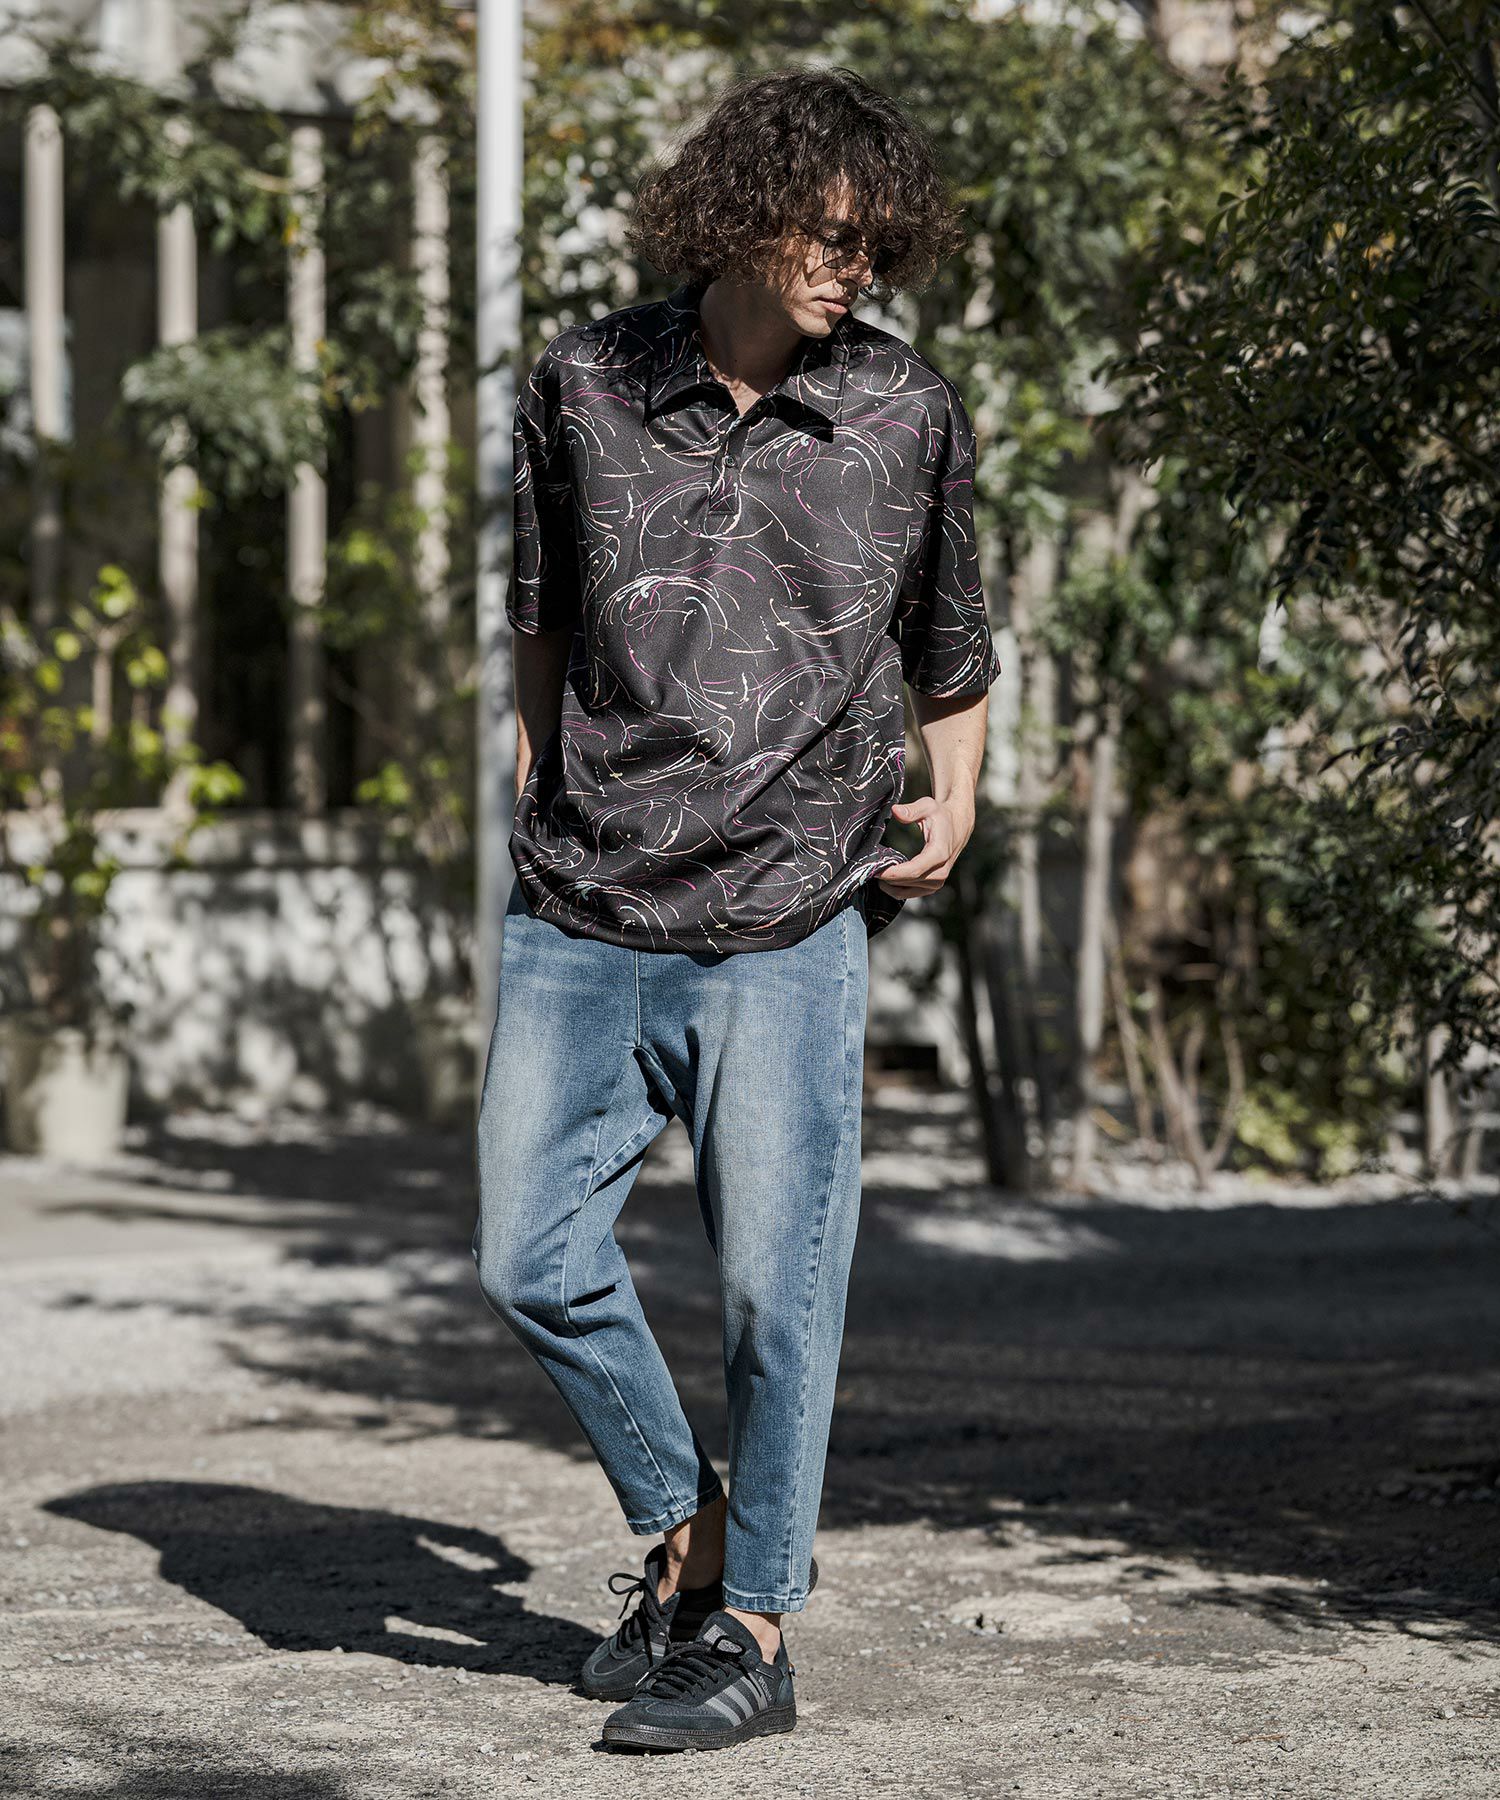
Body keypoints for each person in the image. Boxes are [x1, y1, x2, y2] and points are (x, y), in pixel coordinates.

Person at [473, 63, 1001, 1753]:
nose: (856, 264)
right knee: (526, 1254)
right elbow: (542, 613)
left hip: (789, 912)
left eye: (878, 240)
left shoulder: (902, 410)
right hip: (584, 900)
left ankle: (753, 1631)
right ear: (741, 210)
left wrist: (959, 791)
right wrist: (548, 782)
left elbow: (951, 637)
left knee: (781, 1292)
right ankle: (686, 1527)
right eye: (829, 231)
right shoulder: (584, 382)